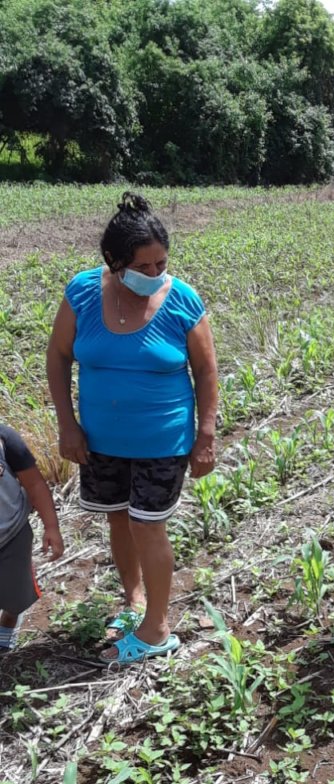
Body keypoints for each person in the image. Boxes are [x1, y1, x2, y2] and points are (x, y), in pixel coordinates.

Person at [47, 192, 218, 665]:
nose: (155, 274)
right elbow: (58, 357)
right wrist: (68, 424)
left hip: (162, 439)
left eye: (161, 263)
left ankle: (157, 629)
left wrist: (206, 436)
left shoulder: (182, 300)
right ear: (114, 262)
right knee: (119, 517)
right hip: (101, 439)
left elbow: (206, 371)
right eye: (143, 266)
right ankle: (135, 599)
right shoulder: (82, 292)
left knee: (148, 525)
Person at [0, 423, 65, 653]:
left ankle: (9, 619)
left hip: (11, 533)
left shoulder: (5, 440)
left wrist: (52, 527)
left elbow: (35, 484)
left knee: (16, 594)